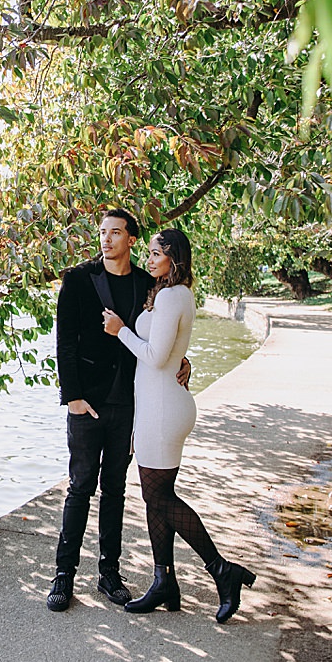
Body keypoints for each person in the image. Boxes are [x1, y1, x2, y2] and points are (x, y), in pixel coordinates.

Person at [102, 225, 256, 623]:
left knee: (159, 497)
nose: (149, 260)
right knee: (157, 496)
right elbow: (170, 355)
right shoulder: (169, 294)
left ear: (173, 257)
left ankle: (222, 570)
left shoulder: (173, 296)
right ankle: (164, 581)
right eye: (150, 253)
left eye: (155, 253)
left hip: (164, 410)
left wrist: (121, 331)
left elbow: (154, 357)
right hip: (157, 406)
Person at [46, 209, 188, 612]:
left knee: (116, 490)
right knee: (79, 487)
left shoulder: (149, 285)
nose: (106, 240)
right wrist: (71, 396)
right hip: (86, 403)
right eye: (102, 233)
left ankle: (109, 573)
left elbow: (162, 336)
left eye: (115, 233)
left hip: (129, 403)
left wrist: (182, 360)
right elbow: (65, 344)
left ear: (131, 239)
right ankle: (63, 576)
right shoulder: (77, 279)